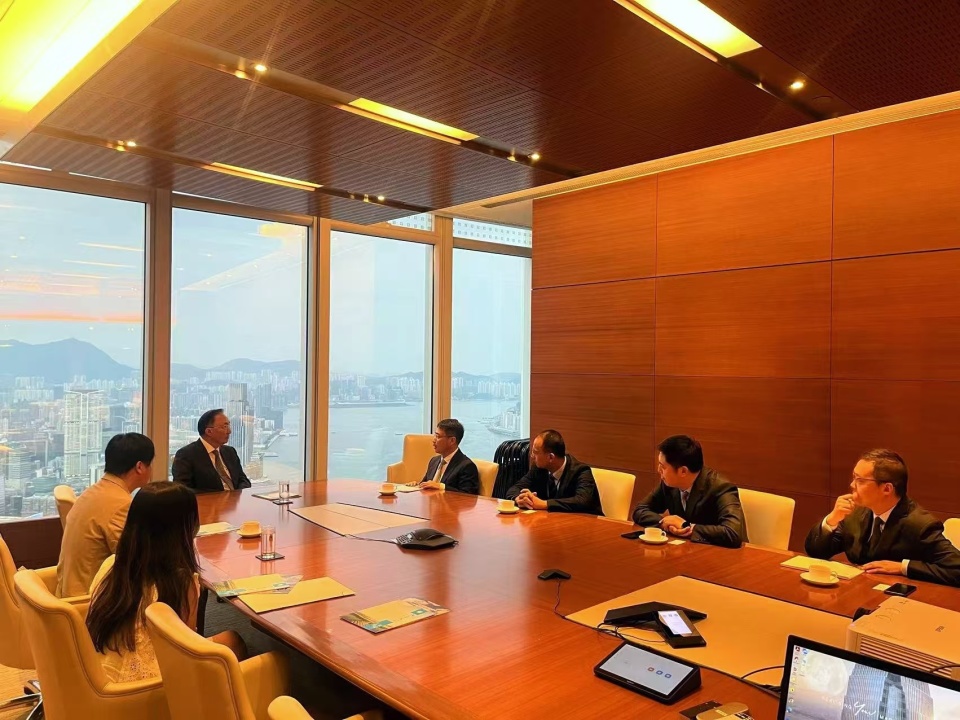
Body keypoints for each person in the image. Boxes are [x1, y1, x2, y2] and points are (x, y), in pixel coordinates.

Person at [86, 482, 246, 683]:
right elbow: (188, 650)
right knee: (234, 642)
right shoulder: (179, 582)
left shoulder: (112, 565)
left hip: (99, 676)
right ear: (186, 528)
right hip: (148, 686)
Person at [805, 449, 960, 586]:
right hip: (860, 590)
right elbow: (816, 553)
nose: (852, 485)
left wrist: (902, 567)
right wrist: (832, 520)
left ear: (887, 489)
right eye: (854, 478)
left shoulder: (919, 524)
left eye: (860, 480)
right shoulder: (856, 512)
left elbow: (956, 569)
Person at [56, 433, 154, 598]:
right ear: (140, 467)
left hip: (68, 591)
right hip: (89, 601)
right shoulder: (120, 504)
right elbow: (137, 562)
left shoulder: (93, 492)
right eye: (150, 464)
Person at [632, 435, 747, 548]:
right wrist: (666, 523)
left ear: (683, 471)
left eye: (663, 467)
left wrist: (687, 526)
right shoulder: (669, 484)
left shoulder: (721, 487)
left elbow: (733, 533)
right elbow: (640, 510)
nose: (658, 470)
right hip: (687, 550)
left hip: (723, 555)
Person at [505, 430, 602, 514]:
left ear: (551, 457)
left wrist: (544, 504)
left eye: (535, 452)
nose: (532, 456)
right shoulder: (539, 468)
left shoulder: (581, 471)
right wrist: (519, 499)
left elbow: (582, 501)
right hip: (554, 522)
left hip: (588, 524)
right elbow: (514, 488)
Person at [172, 408, 251, 493]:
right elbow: (182, 489)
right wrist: (219, 497)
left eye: (228, 426)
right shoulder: (186, 454)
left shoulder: (230, 451)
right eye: (224, 427)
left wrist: (236, 495)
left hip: (236, 499)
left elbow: (243, 479)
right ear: (209, 431)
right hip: (209, 501)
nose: (229, 431)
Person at [414, 419, 480, 494]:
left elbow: (468, 495)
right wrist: (416, 485)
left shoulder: (467, 466)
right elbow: (425, 484)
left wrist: (441, 487)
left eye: (438, 436)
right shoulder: (434, 461)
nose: (434, 440)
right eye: (435, 435)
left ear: (452, 440)